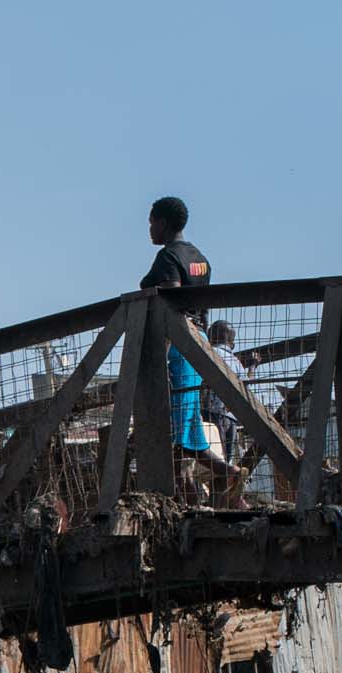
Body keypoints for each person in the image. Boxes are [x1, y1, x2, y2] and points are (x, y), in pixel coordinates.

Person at [140, 196, 236, 497]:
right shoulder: (200, 259)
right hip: (198, 344)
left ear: (163, 223)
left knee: (176, 434)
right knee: (189, 431)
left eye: (151, 221)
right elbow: (201, 309)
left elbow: (172, 305)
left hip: (178, 348)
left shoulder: (168, 258)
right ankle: (227, 476)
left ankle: (195, 497)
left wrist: (161, 354)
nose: (149, 228)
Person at [203, 319, 245, 467]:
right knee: (227, 459)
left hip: (209, 413)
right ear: (231, 341)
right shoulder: (237, 363)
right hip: (231, 417)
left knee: (210, 459)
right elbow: (245, 391)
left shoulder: (207, 353)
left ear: (211, 336)